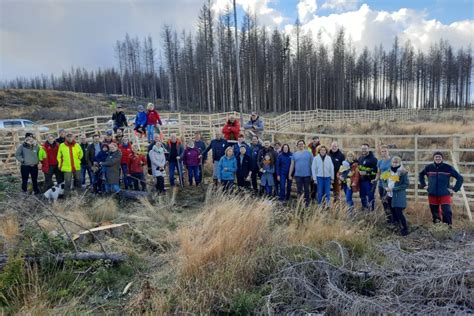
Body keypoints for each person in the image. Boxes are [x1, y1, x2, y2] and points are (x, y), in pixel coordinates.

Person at [419, 152, 463, 226]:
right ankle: (437, 228)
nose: (438, 158)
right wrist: (424, 185)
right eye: (436, 157)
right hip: (432, 194)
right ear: (434, 158)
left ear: (442, 158)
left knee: (446, 212)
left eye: (439, 157)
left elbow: (460, 178)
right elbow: (421, 175)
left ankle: (448, 229)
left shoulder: (448, 168)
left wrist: (455, 189)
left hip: (444, 194)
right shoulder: (429, 167)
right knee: (435, 213)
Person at [381, 156, 409, 236]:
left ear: (399, 163)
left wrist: (394, 189)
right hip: (389, 195)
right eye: (393, 162)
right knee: (392, 211)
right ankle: (397, 227)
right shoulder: (388, 171)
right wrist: (385, 186)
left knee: (398, 212)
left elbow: (406, 184)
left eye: (396, 162)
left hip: (398, 195)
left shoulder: (403, 172)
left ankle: (405, 228)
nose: (394, 164)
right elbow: (383, 180)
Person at [289, 140, 313, 206]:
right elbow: (292, 165)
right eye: (299, 144)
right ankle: (299, 202)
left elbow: (312, 164)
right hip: (298, 175)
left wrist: (312, 174)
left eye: (302, 144)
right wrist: (290, 174)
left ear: (304, 145)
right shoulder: (295, 154)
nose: (300, 145)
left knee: (306, 190)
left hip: (307, 175)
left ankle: (307, 204)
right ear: (297, 145)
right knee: (299, 190)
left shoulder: (309, 153)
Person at [358, 143, 378, 211]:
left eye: (365, 149)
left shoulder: (373, 159)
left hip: (370, 181)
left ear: (368, 149)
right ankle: (365, 210)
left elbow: (375, 170)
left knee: (370, 197)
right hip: (362, 181)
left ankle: (371, 212)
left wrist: (366, 172)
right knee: (362, 196)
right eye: (362, 149)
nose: (364, 150)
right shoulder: (360, 158)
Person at [376, 145, 392, 222]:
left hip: (389, 184)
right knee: (383, 201)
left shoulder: (392, 160)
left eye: (385, 151)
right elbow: (378, 172)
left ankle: (393, 218)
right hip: (381, 184)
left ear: (388, 151)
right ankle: (388, 218)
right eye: (382, 151)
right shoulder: (380, 162)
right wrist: (375, 179)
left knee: (388, 201)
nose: (384, 153)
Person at [308, 136, 320, 200]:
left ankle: (315, 195)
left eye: (316, 139)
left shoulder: (320, 146)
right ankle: (312, 196)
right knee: (311, 180)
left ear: (318, 140)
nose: (315, 140)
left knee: (316, 181)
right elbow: (308, 153)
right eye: (314, 139)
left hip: (318, 164)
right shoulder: (309, 146)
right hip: (311, 164)